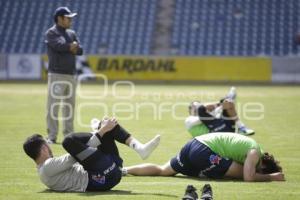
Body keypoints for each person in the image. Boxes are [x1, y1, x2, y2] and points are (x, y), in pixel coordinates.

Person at [23, 117, 160, 192]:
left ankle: (139, 147)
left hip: (107, 172)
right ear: (43, 149)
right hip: (101, 177)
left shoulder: (45, 171)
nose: (50, 148)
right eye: (47, 145)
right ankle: (98, 129)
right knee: (68, 141)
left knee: (106, 123)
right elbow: (76, 156)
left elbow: (81, 154)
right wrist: (99, 132)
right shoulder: (46, 167)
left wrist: (102, 129)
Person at [123, 132, 285, 182]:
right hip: (203, 150)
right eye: (261, 171)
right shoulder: (255, 152)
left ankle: (123, 170)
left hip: (193, 144)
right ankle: (203, 173)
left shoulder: (250, 148)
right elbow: (248, 177)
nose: (259, 171)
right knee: (242, 173)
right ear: (263, 164)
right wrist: (271, 177)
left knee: (162, 170)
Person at [45, 7, 83, 144]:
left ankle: (69, 135)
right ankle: (52, 136)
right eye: (68, 17)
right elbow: (59, 46)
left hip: (71, 75)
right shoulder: (51, 32)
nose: (71, 20)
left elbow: (80, 50)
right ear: (59, 18)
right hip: (57, 74)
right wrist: (71, 47)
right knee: (53, 106)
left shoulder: (71, 33)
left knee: (69, 107)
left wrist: (72, 47)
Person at [185, 87, 254, 137]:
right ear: (189, 111)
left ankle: (241, 127)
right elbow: (201, 118)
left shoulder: (207, 114)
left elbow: (215, 113)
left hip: (227, 128)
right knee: (225, 102)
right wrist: (221, 104)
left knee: (228, 102)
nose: (195, 107)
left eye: (198, 104)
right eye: (193, 107)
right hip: (215, 134)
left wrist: (225, 102)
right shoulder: (188, 120)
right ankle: (226, 99)